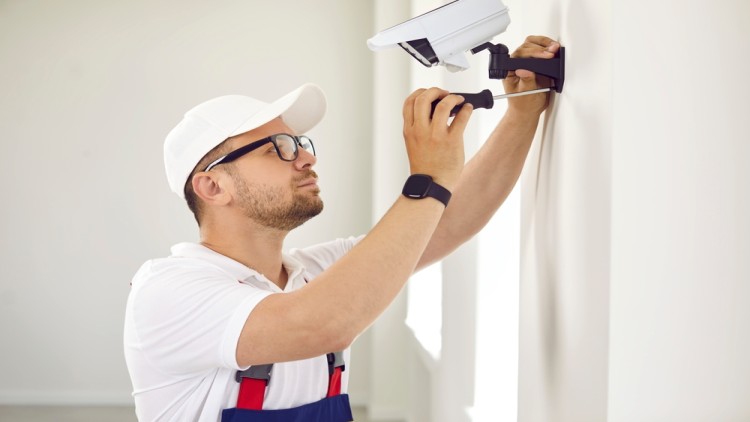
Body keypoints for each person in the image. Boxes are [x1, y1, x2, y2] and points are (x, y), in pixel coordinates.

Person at [124, 35, 561, 421]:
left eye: (300, 143)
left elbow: (445, 224)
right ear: (213, 186)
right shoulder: (167, 290)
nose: (306, 157)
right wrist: (426, 180)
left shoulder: (315, 272)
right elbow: (320, 323)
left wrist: (521, 115)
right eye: (278, 148)